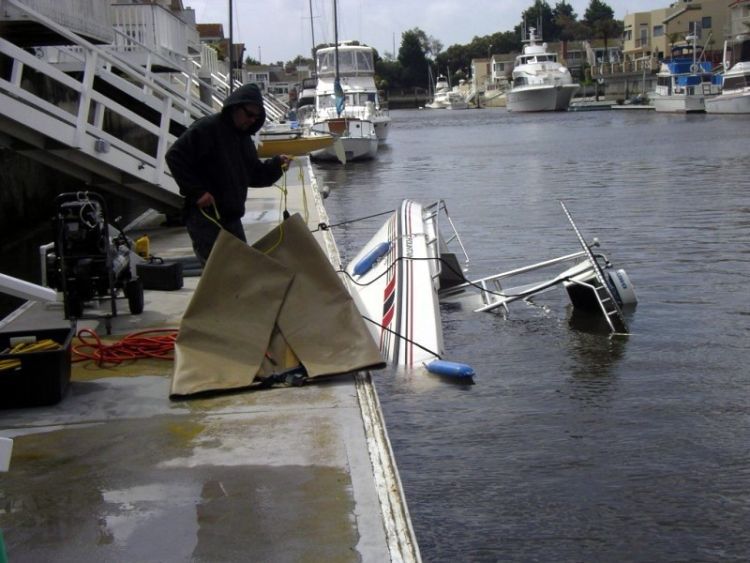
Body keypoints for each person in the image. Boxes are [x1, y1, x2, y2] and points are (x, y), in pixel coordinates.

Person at [166, 83, 291, 264]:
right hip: (205, 218)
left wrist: (277, 165)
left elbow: (254, 174)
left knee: (242, 270)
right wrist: (197, 192)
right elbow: (174, 156)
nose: (252, 120)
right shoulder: (207, 128)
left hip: (231, 218)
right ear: (235, 107)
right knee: (219, 276)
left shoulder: (244, 138)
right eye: (249, 114)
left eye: (256, 117)